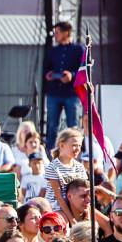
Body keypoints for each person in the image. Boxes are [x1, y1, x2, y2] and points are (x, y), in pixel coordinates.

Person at [42, 21, 85, 150]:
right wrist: (48, 74)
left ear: (66, 33)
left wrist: (71, 75)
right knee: (52, 126)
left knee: (73, 124)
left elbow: (85, 70)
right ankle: (51, 153)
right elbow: (45, 68)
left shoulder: (78, 49)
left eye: (57, 32)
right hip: (54, 92)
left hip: (71, 93)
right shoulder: (53, 51)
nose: (55, 35)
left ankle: (76, 151)